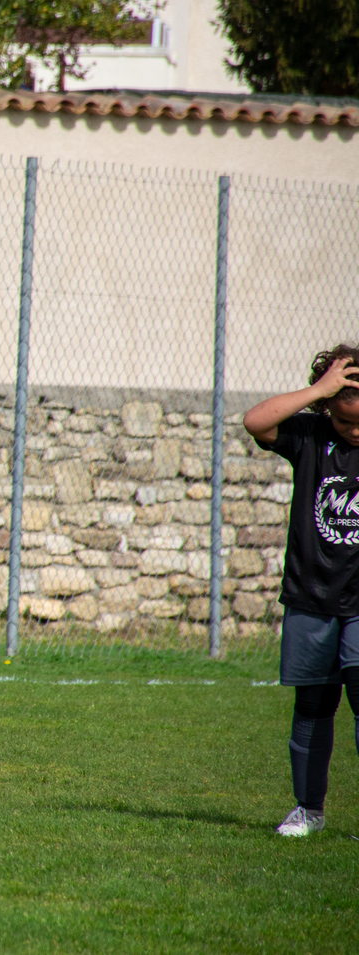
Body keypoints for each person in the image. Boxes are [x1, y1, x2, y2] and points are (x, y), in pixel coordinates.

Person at [242, 344, 359, 838]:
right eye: (345, 421)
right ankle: (308, 809)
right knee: (313, 704)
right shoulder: (309, 436)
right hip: (310, 596)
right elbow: (254, 421)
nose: (355, 431)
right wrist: (319, 392)